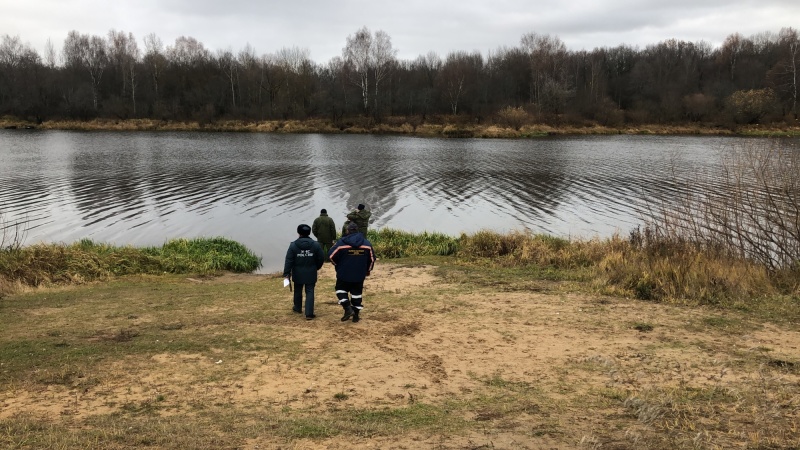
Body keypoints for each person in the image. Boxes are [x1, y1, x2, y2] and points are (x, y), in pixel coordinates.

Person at [328, 221, 375, 323]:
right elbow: (372, 259)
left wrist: (337, 265)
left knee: (340, 290)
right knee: (356, 294)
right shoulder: (366, 244)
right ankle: (356, 316)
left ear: (347, 231)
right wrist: (368, 270)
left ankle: (347, 308)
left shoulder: (341, 243)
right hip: (359, 274)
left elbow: (331, 256)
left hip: (344, 273)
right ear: (357, 231)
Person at [283, 224, 324, 320]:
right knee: (310, 291)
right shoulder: (315, 245)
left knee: (298, 290)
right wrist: (316, 267)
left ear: (298, 233)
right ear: (309, 233)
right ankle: (309, 313)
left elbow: (289, 260)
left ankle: (297, 308)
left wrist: (287, 273)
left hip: (297, 272)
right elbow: (321, 258)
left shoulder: (293, 245)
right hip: (311, 272)